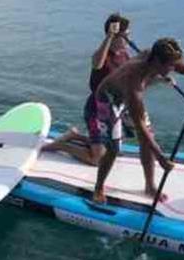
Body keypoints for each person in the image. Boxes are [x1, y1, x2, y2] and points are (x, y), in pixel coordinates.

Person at [92, 37, 184, 204]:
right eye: (170, 66)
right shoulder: (134, 80)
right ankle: (98, 187)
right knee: (114, 148)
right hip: (108, 99)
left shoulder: (158, 57)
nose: (173, 69)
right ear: (157, 61)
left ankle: (150, 186)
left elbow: (182, 67)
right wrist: (161, 157)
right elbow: (139, 125)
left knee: (148, 140)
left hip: (128, 99)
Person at [44, 13, 133, 166]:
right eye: (125, 36)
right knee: (98, 160)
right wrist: (110, 36)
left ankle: (75, 136)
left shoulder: (125, 55)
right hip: (98, 109)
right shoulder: (102, 56)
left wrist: (158, 78)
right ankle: (61, 145)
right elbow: (97, 64)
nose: (128, 39)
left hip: (116, 108)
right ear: (114, 37)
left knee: (112, 149)